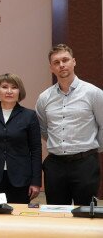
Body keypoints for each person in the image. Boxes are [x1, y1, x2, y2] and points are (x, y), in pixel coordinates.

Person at [36, 44, 103, 205]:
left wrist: (93, 149)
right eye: (56, 62)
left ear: (74, 62)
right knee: (57, 214)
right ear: (51, 68)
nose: (61, 65)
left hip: (85, 163)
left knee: (87, 213)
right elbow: (44, 129)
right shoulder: (44, 98)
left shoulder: (93, 93)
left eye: (65, 60)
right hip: (55, 165)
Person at [0, 73, 42, 204]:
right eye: (4, 87)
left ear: (20, 91)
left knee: (18, 218)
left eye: (14, 87)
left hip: (21, 179)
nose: (9, 91)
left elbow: (36, 150)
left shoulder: (29, 116)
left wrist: (36, 182)